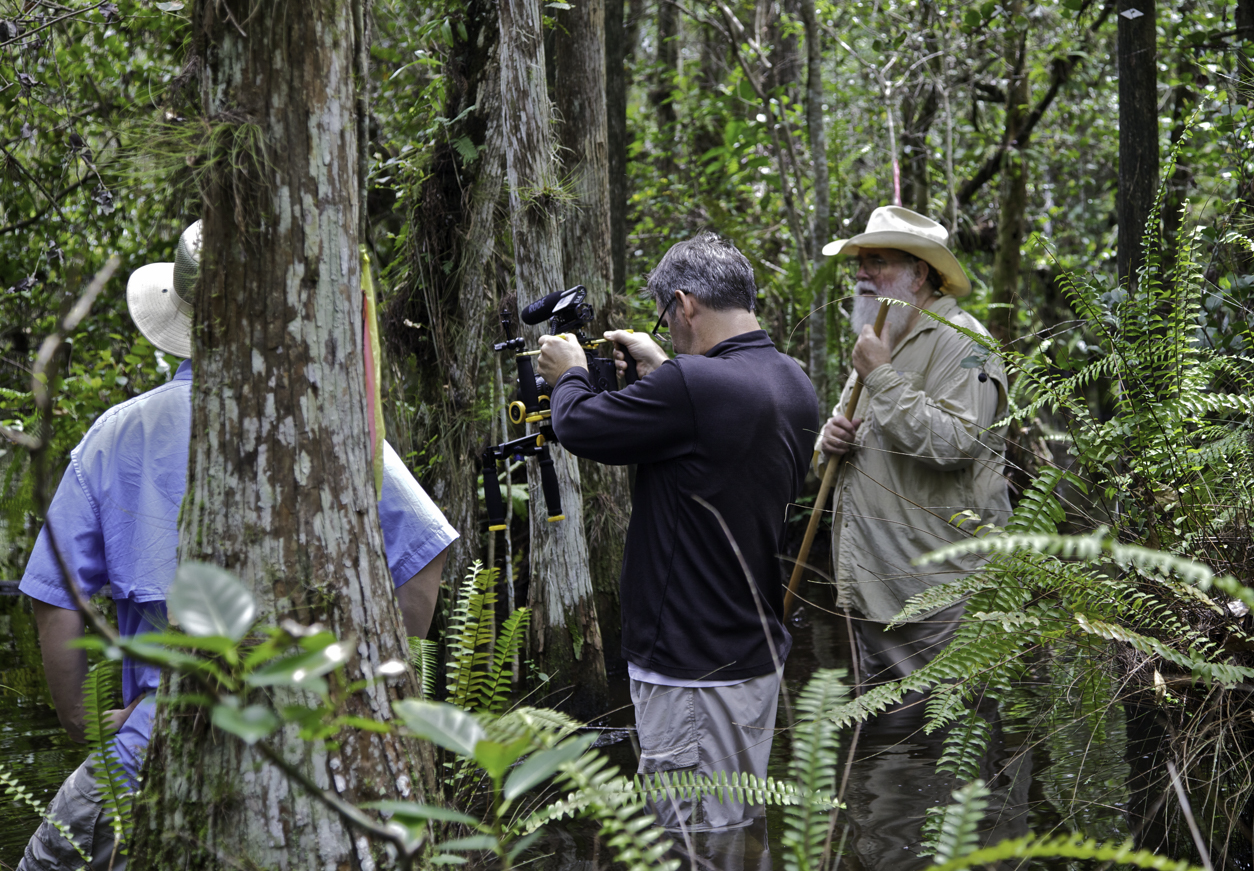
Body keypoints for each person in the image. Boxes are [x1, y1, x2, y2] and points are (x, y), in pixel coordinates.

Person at [18, 222, 457, 871]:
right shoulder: (326, 424)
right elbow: (425, 557)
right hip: (322, 739)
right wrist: (366, 686)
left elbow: (53, 601)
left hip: (158, 740)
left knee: (46, 863)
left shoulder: (118, 435)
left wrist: (85, 723)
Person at [535, 232, 818, 851]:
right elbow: (714, 431)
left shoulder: (695, 386)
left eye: (668, 315)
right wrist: (665, 367)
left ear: (684, 304)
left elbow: (580, 425)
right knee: (736, 827)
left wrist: (569, 374)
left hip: (692, 669)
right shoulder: (792, 381)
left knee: (691, 843)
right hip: (749, 656)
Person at [816, 205, 1010, 688]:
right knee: (888, 744)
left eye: (877, 261)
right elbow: (850, 437)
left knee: (953, 743)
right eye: (860, 262)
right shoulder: (881, 338)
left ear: (919, 273)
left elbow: (957, 443)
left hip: (942, 591)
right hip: (873, 583)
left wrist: (880, 376)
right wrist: (829, 440)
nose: (862, 274)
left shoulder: (969, 343)